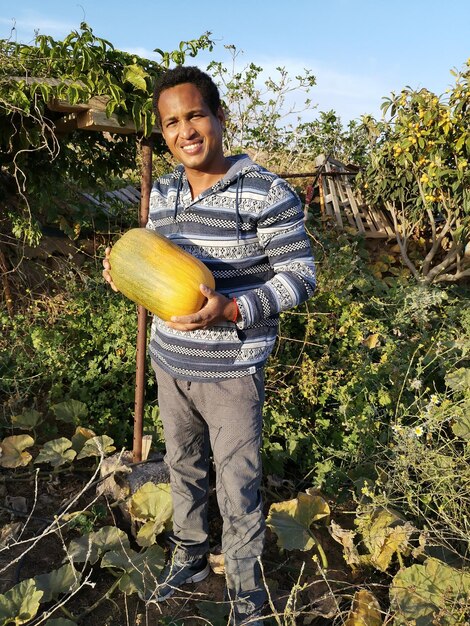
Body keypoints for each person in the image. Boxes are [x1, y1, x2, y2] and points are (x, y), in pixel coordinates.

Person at [103, 65, 316, 625]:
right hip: (171, 362)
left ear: (220, 117)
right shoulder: (166, 190)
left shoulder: (265, 192)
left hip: (232, 370)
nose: (185, 130)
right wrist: (121, 271)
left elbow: (301, 275)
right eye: (172, 122)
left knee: (238, 482)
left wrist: (234, 307)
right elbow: (147, 261)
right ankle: (191, 557)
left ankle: (247, 591)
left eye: (195, 114)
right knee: (184, 468)